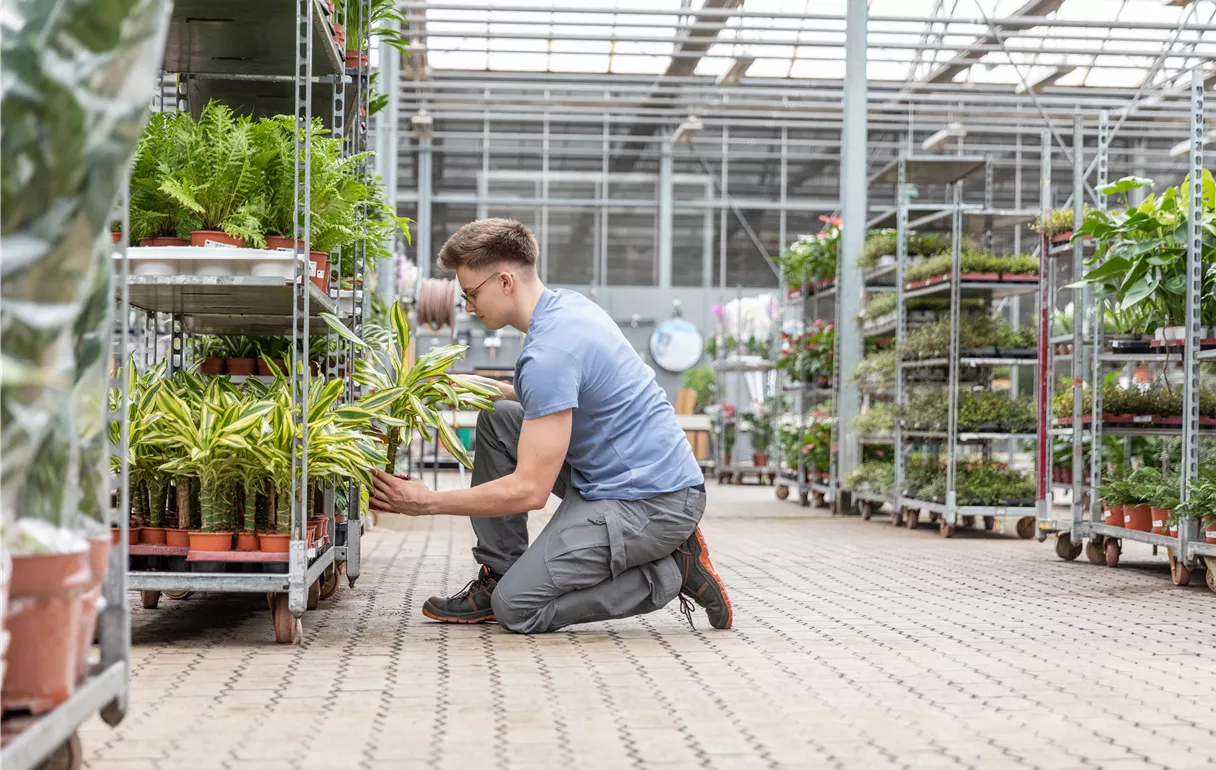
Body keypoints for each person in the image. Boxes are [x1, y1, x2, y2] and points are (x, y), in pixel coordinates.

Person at [369, 218, 732, 634]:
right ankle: (499, 572)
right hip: (615, 478)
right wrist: (465, 387)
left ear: (505, 281)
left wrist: (428, 503)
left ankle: (670, 573)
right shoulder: (565, 308)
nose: (468, 306)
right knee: (498, 418)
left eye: (470, 294)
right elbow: (553, 397)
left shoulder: (549, 352)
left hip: (655, 502)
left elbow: (529, 490)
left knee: (517, 610)